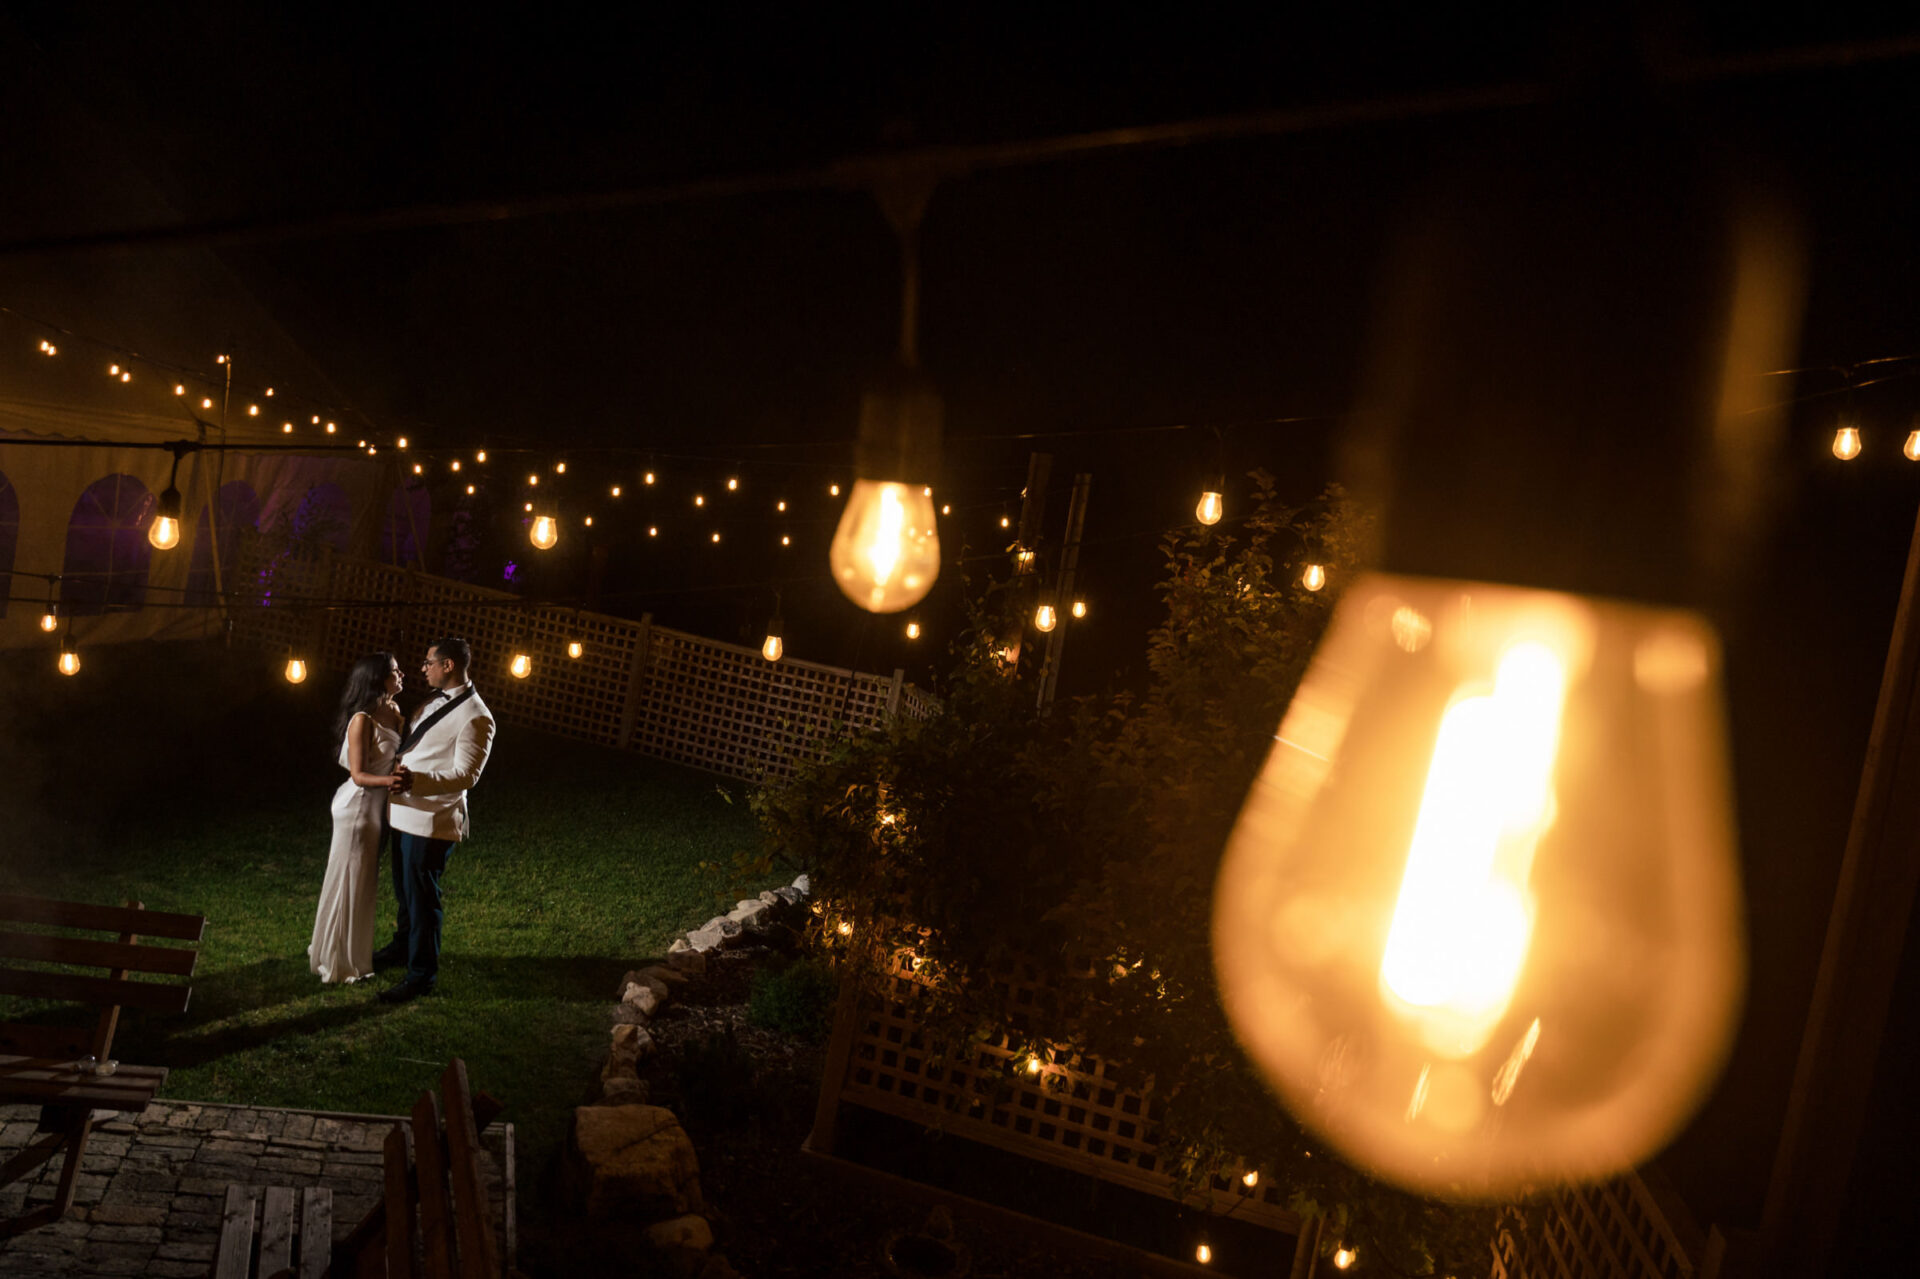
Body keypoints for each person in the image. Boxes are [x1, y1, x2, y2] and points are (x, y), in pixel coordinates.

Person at [373, 636, 496, 1003]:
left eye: (429, 662)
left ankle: (421, 976)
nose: (423, 668)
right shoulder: (430, 702)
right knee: (405, 893)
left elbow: (467, 775)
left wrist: (417, 781)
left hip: (432, 819)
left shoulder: (477, 716)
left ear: (449, 666)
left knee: (424, 898)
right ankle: (400, 948)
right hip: (403, 811)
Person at [309, 652, 404, 984]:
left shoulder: (393, 712)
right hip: (359, 806)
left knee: (364, 884)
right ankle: (337, 961)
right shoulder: (362, 719)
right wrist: (391, 781)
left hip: (376, 809)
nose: (402, 674)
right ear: (378, 678)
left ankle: (353, 954)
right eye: (394, 671)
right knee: (349, 880)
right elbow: (359, 773)